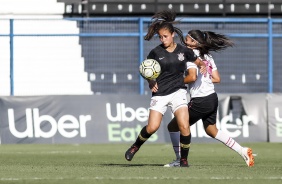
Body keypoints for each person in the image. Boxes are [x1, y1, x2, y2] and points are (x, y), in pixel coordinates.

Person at [124, 11, 206, 167]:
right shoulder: (155, 52)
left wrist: (202, 66)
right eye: (160, 37)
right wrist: (150, 81)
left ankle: (183, 159)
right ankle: (135, 146)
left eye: (165, 36)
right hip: (160, 93)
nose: (162, 39)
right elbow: (145, 70)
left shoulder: (183, 51)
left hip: (178, 92)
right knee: (152, 127)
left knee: (184, 125)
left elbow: (198, 61)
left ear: (173, 34)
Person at [164, 30, 255, 167]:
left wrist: (175, 82)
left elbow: (192, 77)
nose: (185, 40)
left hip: (200, 100)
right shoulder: (208, 56)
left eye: (188, 39)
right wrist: (205, 80)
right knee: (211, 130)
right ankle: (242, 151)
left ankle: (179, 159)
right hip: (212, 98)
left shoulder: (190, 56)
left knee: (174, 126)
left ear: (194, 43)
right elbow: (217, 78)